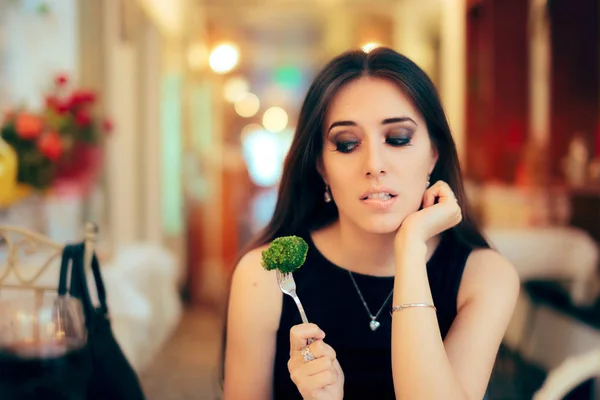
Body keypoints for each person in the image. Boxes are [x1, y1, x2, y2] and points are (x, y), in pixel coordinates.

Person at [222, 47, 519, 400]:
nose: (374, 164)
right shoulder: (266, 275)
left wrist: (410, 246)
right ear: (321, 166)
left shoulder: (485, 277)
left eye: (397, 139)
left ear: (433, 155)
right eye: (347, 144)